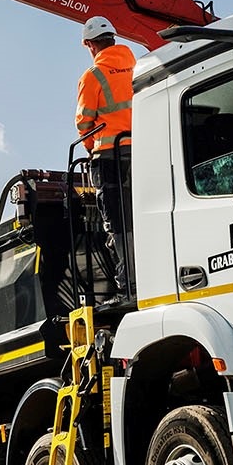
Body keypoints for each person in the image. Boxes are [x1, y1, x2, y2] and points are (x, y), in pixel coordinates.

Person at [75, 16, 135, 295]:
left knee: (117, 220)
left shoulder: (93, 76)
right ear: (113, 38)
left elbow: (84, 123)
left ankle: (129, 283)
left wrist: (90, 147)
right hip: (145, 150)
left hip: (110, 157)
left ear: (90, 44)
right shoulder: (138, 67)